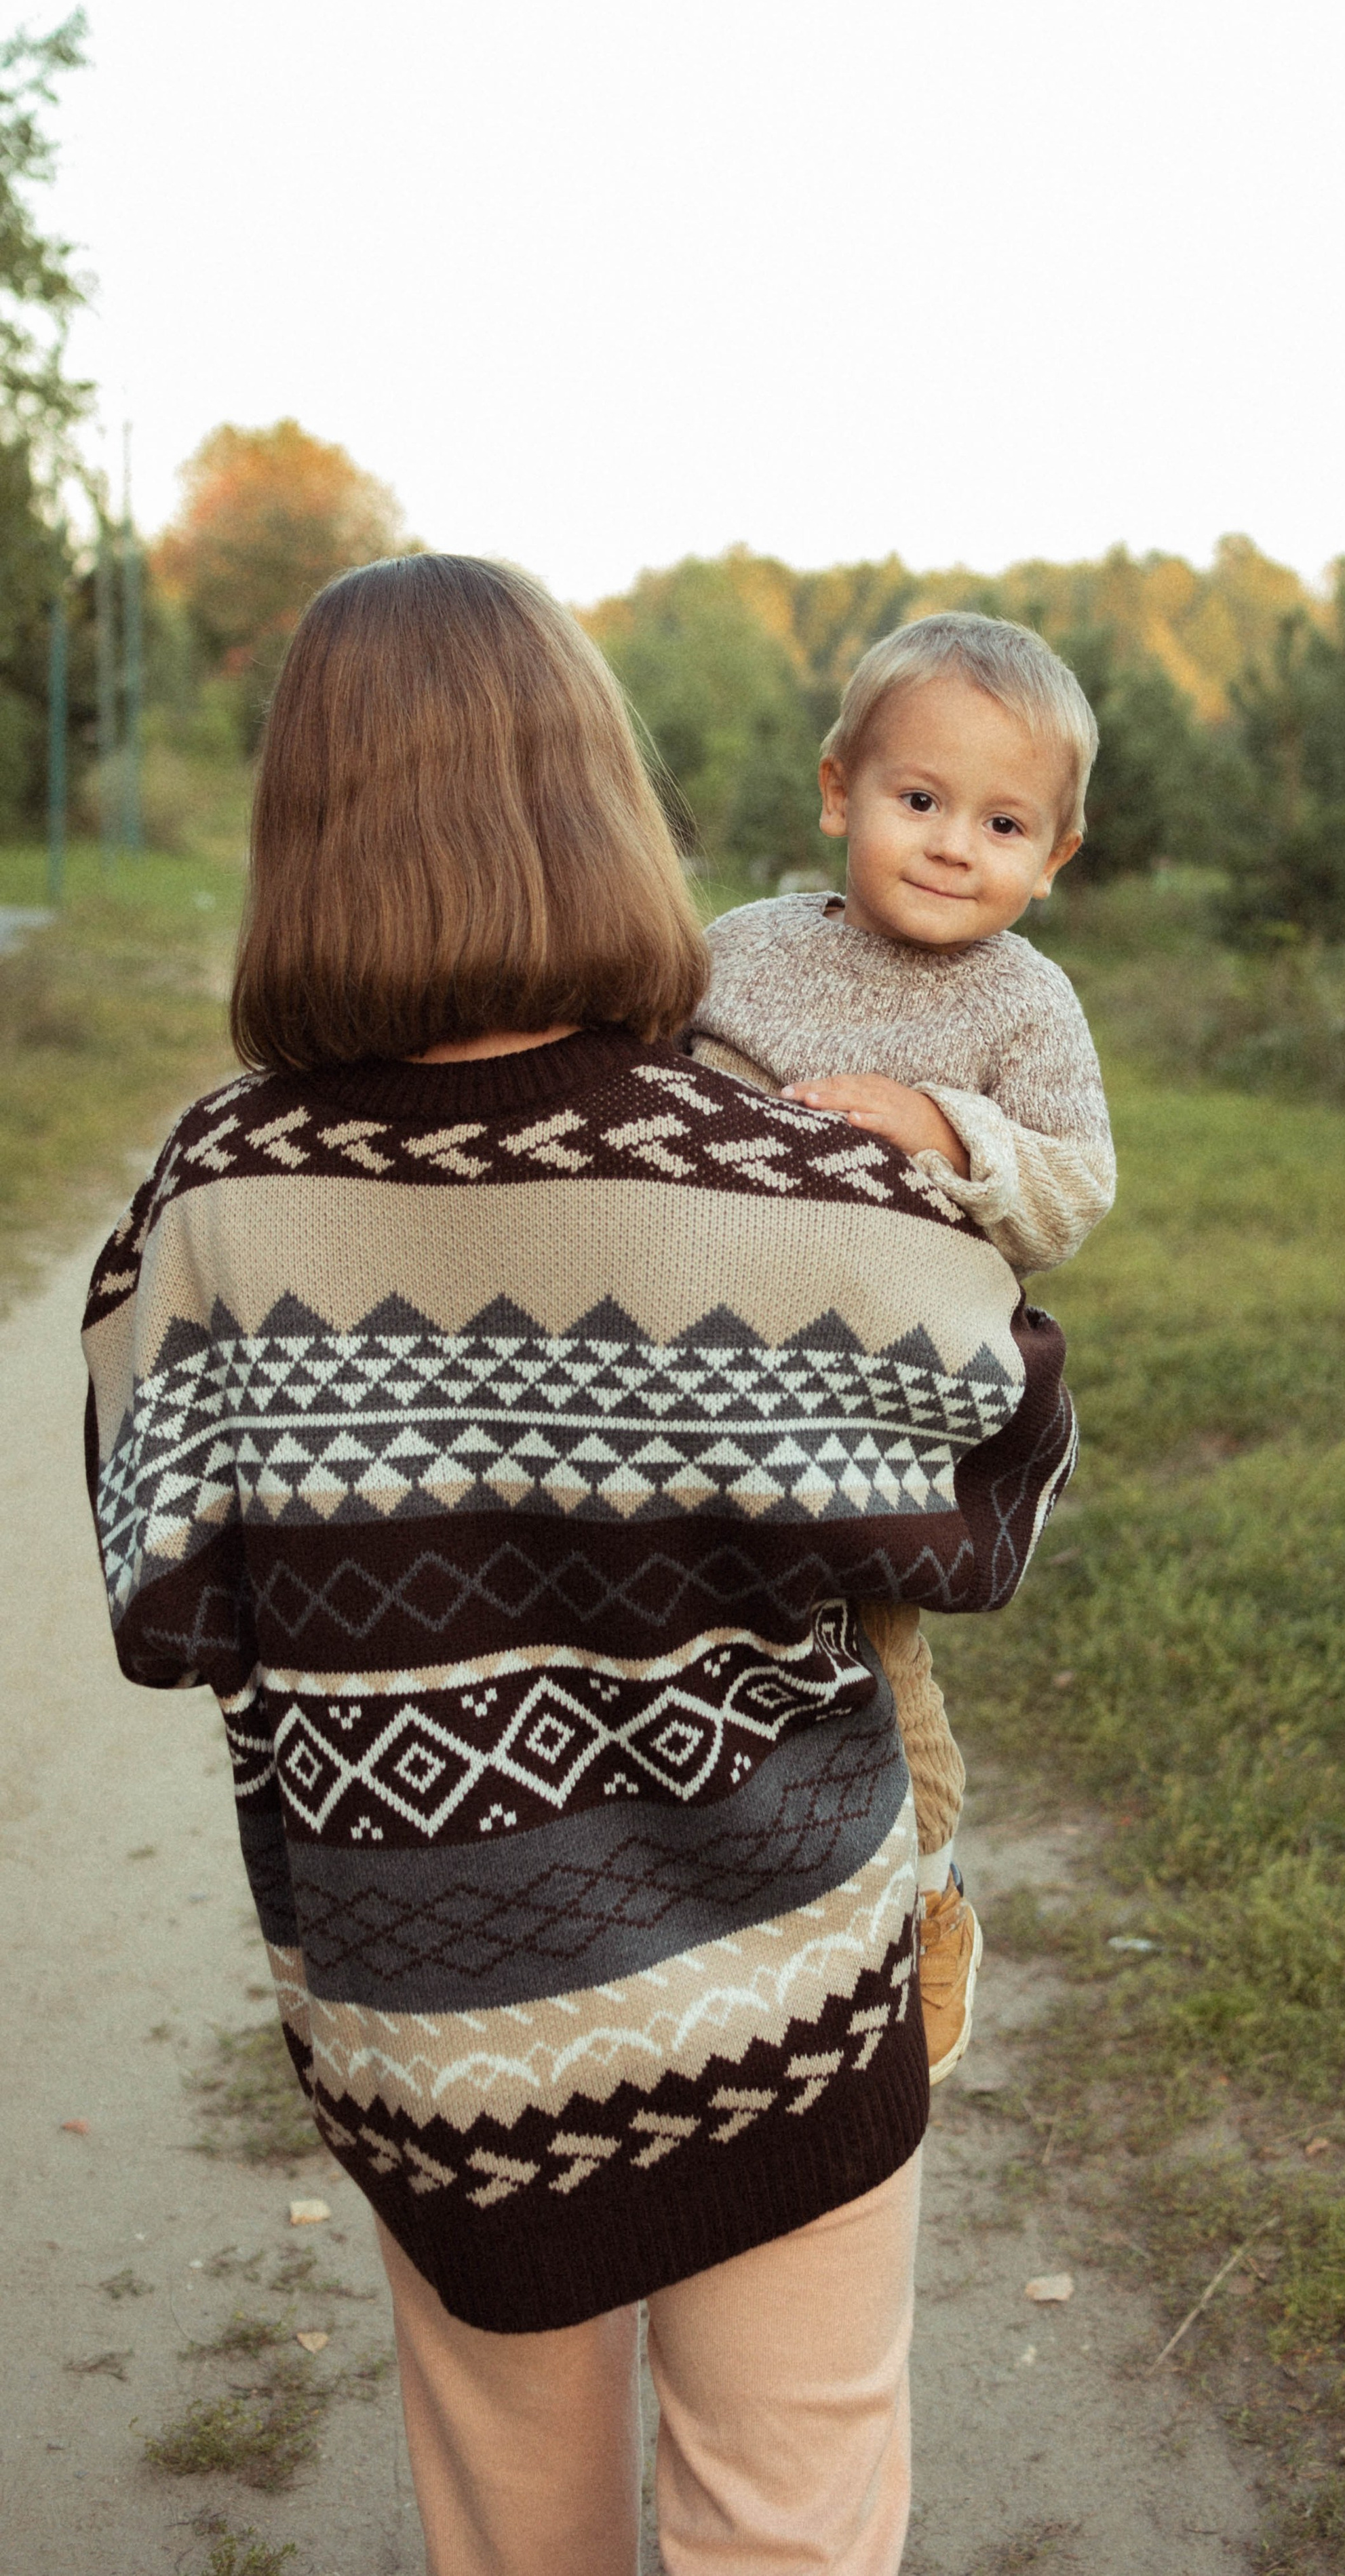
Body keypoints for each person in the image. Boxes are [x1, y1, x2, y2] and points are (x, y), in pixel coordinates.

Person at [79, 555, 1076, 2576]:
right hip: (784, 1984)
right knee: (785, 2528)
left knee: (513, 2544)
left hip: (437, 2024)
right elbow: (992, 1487)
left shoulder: (210, 1193)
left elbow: (162, 1601)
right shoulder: (789, 1178)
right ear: (599, 798)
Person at [688, 612, 1114, 2084]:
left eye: (1000, 822)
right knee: (705, 1651)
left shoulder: (1021, 1003)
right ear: (836, 791)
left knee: (876, 1658)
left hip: (877, 1415)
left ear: (1053, 855)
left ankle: (924, 1898)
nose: (950, 846)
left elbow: (1073, 1186)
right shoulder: (736, 953)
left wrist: (950, 1130)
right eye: (916, 801)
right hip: (703, 1395)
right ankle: (726, 1912)